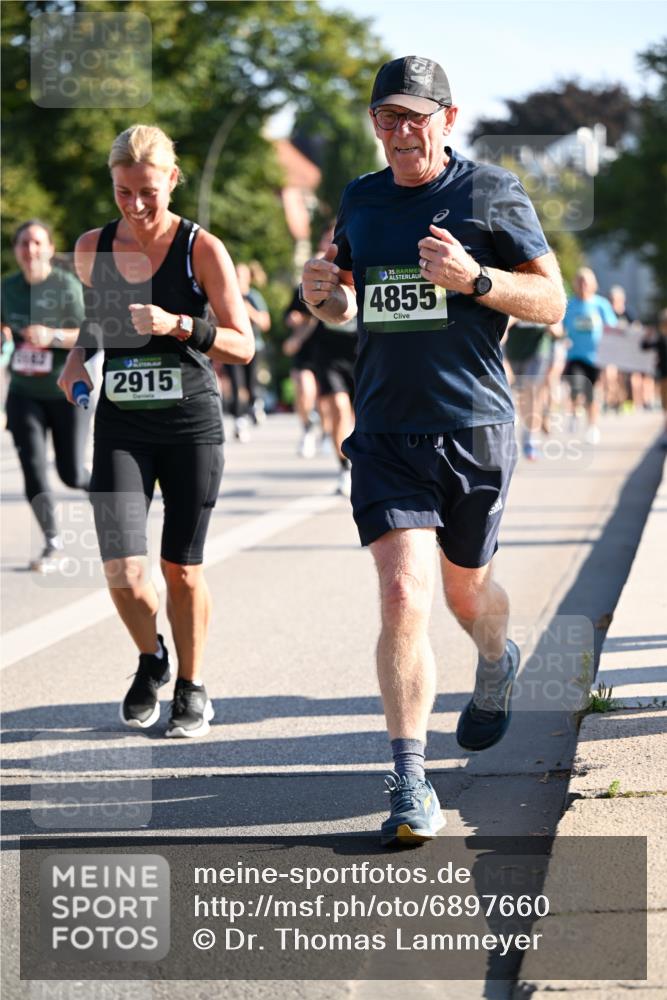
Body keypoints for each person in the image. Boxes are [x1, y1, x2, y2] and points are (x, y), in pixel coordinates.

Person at [300, 55, 565, 846]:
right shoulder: (360, 196)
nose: (400, 131)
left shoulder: (490, 192)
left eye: (415, 116)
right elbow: (351, 297)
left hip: (474, 428)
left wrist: (476, 278)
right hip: (384, 429)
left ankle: (496, 657)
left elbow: (548, 299)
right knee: (402, 593)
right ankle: (409, 779)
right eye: (386, 117)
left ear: (448, 119)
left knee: (465, 596)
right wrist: (325, 295)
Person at [58, 124, 254, 738]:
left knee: (182, 569)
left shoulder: (202, 248)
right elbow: (96, 323)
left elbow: (243, 345)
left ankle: (193, 686)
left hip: (190, 425)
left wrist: (177, 324)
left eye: (148, 190)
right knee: (121, 569)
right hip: (121, 425)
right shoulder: (94, 247)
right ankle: (152, 658)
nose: (136, 205)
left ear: (172, 179)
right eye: (123, 192)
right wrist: (74, 366)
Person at [1, 219, 90, 572]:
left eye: (37, 242)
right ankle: (53, 542)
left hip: (65, 389)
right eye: (23, 243)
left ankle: (110, 493)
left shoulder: (66, 286)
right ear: (15, 251)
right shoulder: (7, 288)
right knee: (34, 470)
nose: (30, 250)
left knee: (71, 473)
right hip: (24, 392)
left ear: (51, 249)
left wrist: (51, 336)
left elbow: (88, 332)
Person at [560, 267, 616, 443]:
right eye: (580, 281)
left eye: (587, 281)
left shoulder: (601, 305)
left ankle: (592, 426)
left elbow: (612, 328)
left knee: (591, 393)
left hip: (596, 357)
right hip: (575, 355)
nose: (583, 285)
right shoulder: (570, 305)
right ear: (576, 284)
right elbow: (560, 327)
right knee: (577, 388)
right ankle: (575, 413)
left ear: (593, 284)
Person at [225, 262, 269, 442]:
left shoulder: (254, 297)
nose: (238, 279)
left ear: (249, 278)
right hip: (231, 346)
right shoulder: (227, 294)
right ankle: (239, 421)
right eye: (235, 275)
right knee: (236, 385)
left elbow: (265, 323)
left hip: (252, 347)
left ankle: (255, 405)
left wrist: (249, 310)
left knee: (251, 384)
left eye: (241, 275)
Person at [503, 317, 553, 460]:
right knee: (518, 395)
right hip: (514, 351)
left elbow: (556, 322)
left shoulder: (544, 293)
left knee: (530, 391)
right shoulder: (512, 294)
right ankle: (542, 411)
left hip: (538, 351)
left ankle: (529, 440)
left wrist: (554, 328)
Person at [641, 307, 667, 447]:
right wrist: (647, 335)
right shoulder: (660, 339)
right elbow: (644, 346)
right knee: (665, 406)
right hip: (664, 377)